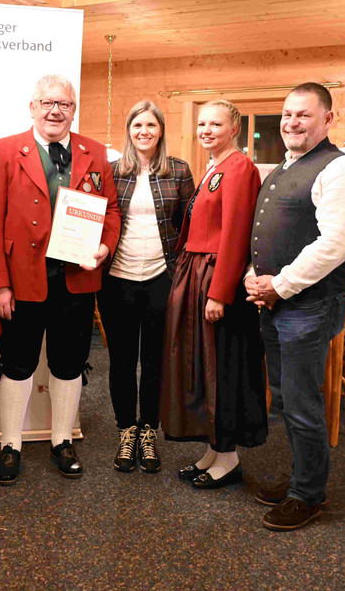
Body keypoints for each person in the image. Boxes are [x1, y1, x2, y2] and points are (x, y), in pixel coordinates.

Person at [0, 74, 121, 484]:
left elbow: (111, 211)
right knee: (17, 363)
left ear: (73, 110)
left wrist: (105, 246)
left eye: (63, 104)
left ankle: (62, 441)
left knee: (69, 363)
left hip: (76, 279)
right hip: (21, 279)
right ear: (32, 107)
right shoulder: (4, 151)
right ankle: (10, 445)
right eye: (47, 103)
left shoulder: (94, 152)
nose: (55, 111)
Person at [244, 82, 345, 531]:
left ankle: (308, 495)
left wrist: (280, 285)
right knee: (285, 399)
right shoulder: (283, 167)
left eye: (303, 115)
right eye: (287, 114)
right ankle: (302, 478)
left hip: (309, 305)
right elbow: (264, 234)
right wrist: (253, 277)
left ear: (328, 120)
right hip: (276, 303)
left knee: (301, 403)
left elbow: (333, 245)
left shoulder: (342, 169)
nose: (292, 122)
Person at [160, 99, 267, 490]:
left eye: (216, 124)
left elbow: (236, 234)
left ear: (234, 128)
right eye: (202, 123)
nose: (206, 130)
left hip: (215, 278)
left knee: (220, 368)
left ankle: (228, 456)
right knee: (201, 368)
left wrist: (219, 293)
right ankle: (213, 451)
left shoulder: (240, 167)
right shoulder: (214, 167)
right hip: (196, 272)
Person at [98, 100, 194, 474]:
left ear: (161, 131)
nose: (144, 131)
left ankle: (149, 431)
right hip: (116, 280)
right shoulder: (111, 172)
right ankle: (126, 430)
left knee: (154, 361)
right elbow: (98, 219)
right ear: (129, 130)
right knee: (121, 361)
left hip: (161, 278)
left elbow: (189, 226)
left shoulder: (178, 171)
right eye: (137, 125)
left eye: (151, 125)